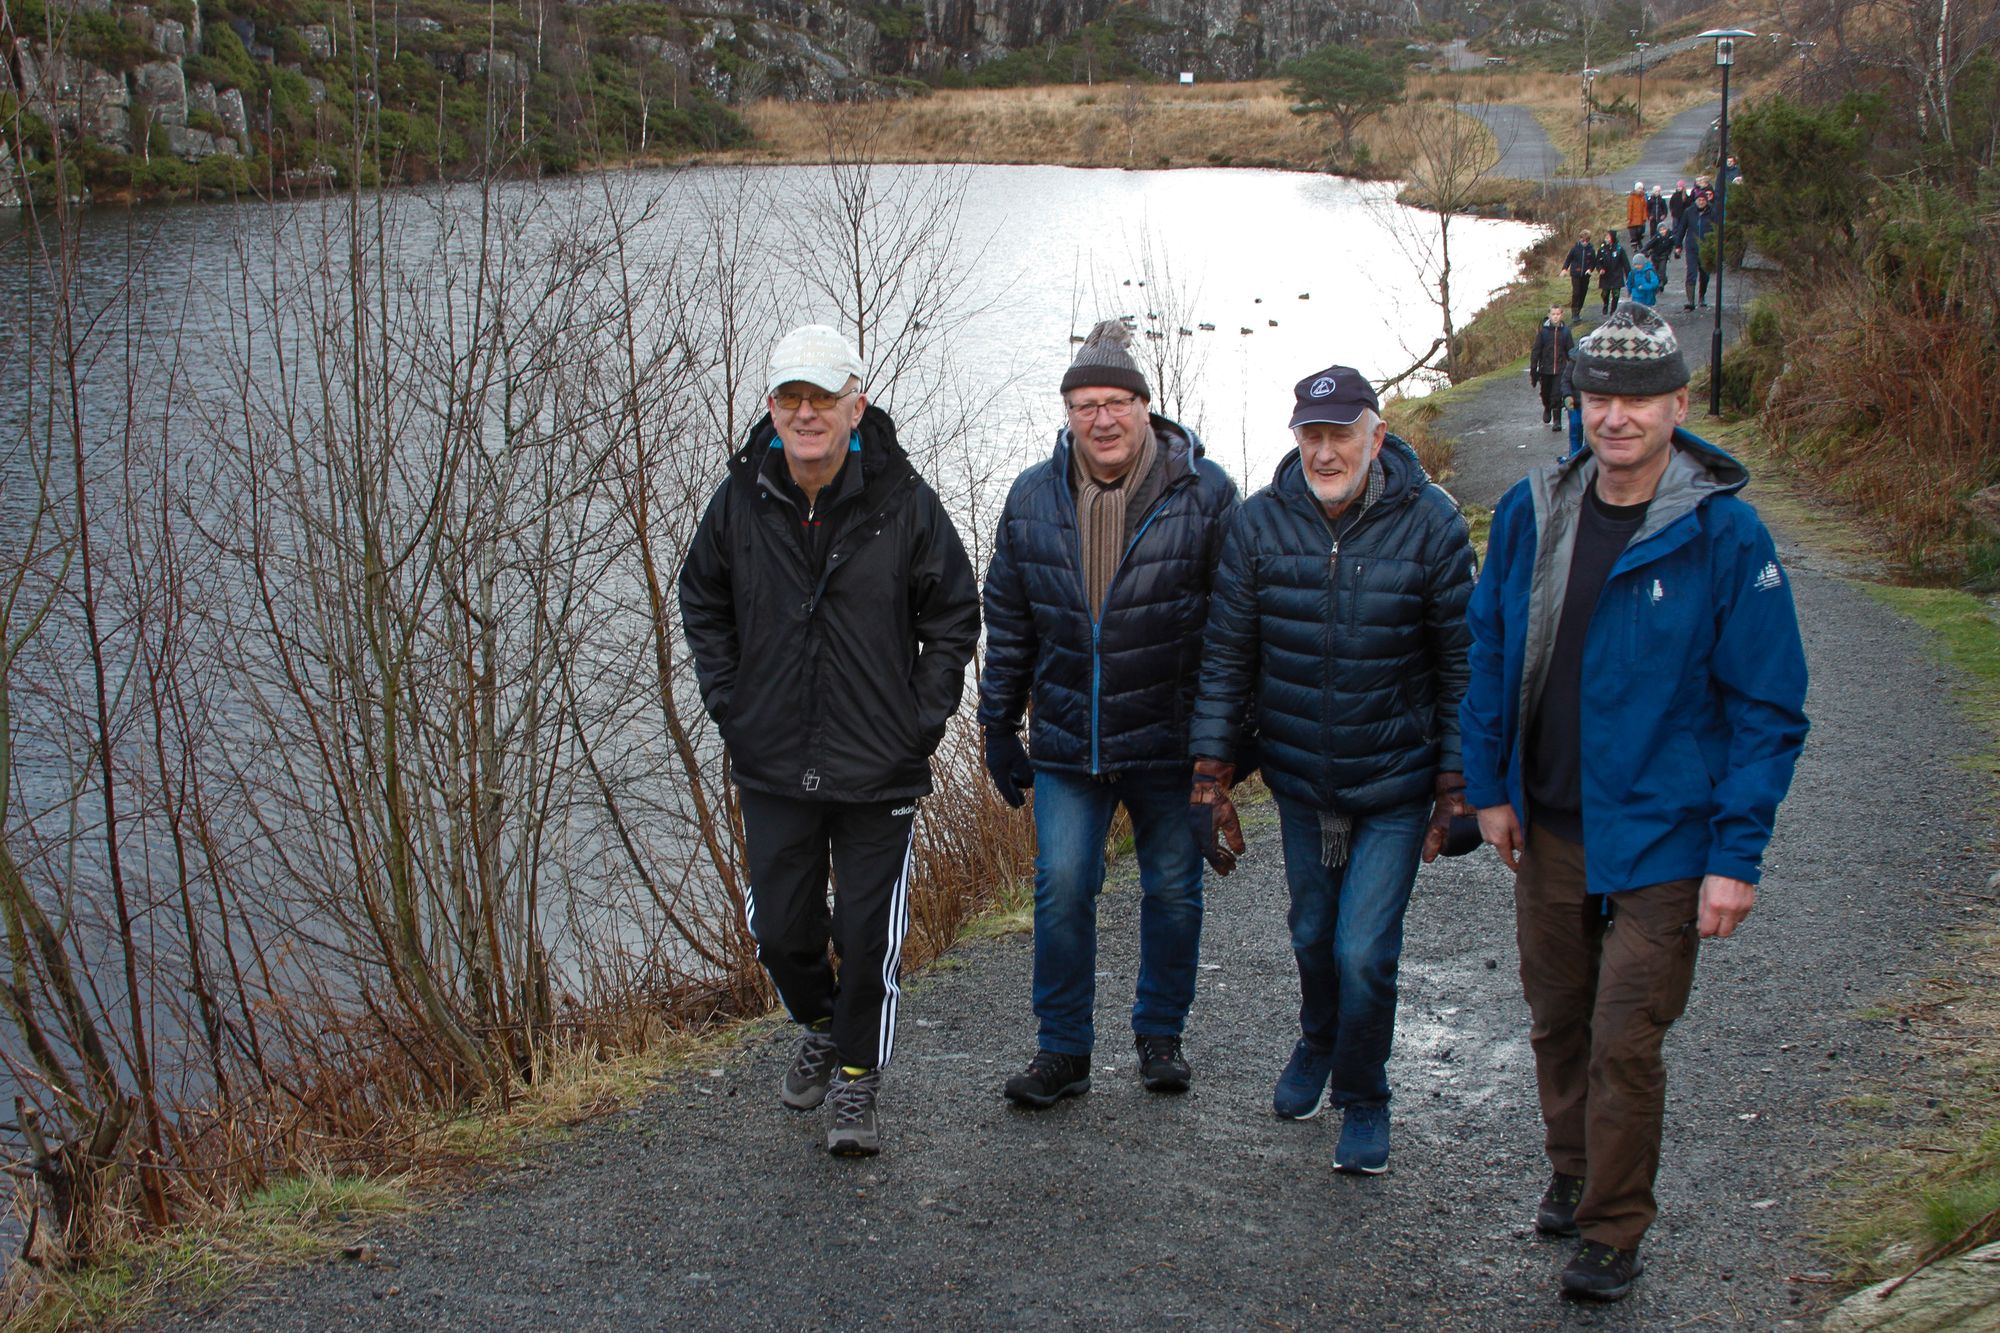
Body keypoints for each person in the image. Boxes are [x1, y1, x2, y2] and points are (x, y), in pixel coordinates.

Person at [1460, 305, 1809, 1302]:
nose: (1614, 418)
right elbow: (1488, 649)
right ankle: (1571, 1170)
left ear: (1676, 408)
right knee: (1556, 1018)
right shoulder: (1537, 510)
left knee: (1624, 1035)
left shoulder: (1724, 534)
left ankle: (1613, 1225)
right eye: (1598, 398)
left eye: (1636, 401)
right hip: (1551, 820)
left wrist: (1734, 856)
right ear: (1576, 405)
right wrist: (1488, 790)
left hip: (1664, 835)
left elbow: (1768, 707)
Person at [678, 323, 980, 1158]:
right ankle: (818, 1021)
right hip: (772, 755)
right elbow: (700, 596)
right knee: (779, 928)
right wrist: (730, 699)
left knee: (870, 930)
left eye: (823, 397)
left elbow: (954, 611)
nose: (807, 414)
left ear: (858, 402)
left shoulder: (903, 501)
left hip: (877, 761)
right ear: (772, 408)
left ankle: (857, 1080)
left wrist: (921, 715)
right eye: (791, 398)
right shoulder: (742, 498)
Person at [1189, 365, 1474, 1174]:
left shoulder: (1433, 526)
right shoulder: (1258, 527)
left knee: (1364, 950)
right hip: (1302, 781)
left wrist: (1457, 788)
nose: (1324, 451)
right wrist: (1209, 778)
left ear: (1375, 437)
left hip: (1394, 783)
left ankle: (1364, 1091)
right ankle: (1319, 1040)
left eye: (1340, 434)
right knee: (1313, 935)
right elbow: (1225, 659)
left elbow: (1462, 667)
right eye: (1311, 436)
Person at [980, 319, 1239, 1108]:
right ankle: (1063, 1050)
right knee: (1061, 886)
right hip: (1067, 738)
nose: (1102, 418)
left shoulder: (1206, 492)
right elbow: (1010, 617)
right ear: (1068, 414)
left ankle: (1160, 1033)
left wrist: (1225, 745)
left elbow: (1235, 625)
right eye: (1086, 404)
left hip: (1168, 739)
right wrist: (997, 723)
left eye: (1117, 401)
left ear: (1144, 406)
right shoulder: (1031, 497)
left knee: (1172, 887)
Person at [1529, 306, 1574, 432]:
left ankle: (1557, 421)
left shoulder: (1565, 332)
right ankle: (1547, 407)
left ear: (1562, 315)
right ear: (1549, 315)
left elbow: (1570, 351)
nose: (1555, 316)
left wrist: (1572, 366)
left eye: (1558, 314)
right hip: (1545, 369)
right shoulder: (1543, 333)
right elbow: (1536, 351)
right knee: (1545, 393)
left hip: (1560, 369)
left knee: (1557, 394)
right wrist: (1534, 369)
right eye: (1553, 314)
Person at [1672, 192, 1716, 309]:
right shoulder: (1689, 212)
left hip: (1706, 247)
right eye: (1699, 200)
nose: (1701, 202)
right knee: (1691, 273)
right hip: (1692, 247)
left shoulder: (1712, 212)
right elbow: (1682, 228)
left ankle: (1702, 296)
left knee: (1705, 274)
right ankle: (1690, 301)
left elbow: (1717, 230)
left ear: (1706, 201)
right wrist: (1678, 245)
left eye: (1703, 200)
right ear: (1696, 200)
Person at [1560, 231, 1596, 324]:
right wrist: (1564, 269)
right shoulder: (1575, 249)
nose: (1585, 242)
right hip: (1575, 274)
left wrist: (1590, 269)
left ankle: (1578, 311)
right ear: (1580, 239)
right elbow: (1568, 260)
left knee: (1583, 293)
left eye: (1587, 240)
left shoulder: (1591, 250)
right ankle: (1574, 313)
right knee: (1576, 293)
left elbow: (1593, 262)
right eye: (1583, 240)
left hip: (1586, 275)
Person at [1595, 231, 1629, 317]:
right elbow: (1598, 262)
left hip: (1616, 275)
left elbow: (1625, 263)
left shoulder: (1619, 249)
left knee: (1616, 294)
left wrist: (1629, 275)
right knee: (1604, 293)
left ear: (1612, 238)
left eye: (1608, 237)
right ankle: (1605, 304)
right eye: (1605, 237)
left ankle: (1613, 311)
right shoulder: (1602, 249)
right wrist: (1600, 269)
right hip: (1605, 276)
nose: (1606, 239)